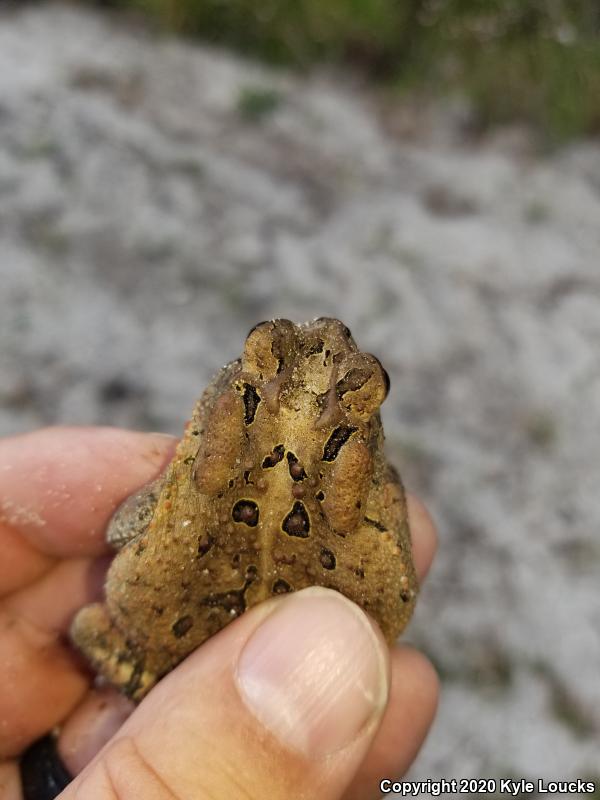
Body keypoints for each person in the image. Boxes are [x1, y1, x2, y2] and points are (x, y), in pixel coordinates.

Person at [0, 427, 439, 799]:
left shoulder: (195, 472)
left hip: (161, 645)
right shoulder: (374, 508)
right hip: (183, 649)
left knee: (88, 625)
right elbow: (396, 598)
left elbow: (120, 530)